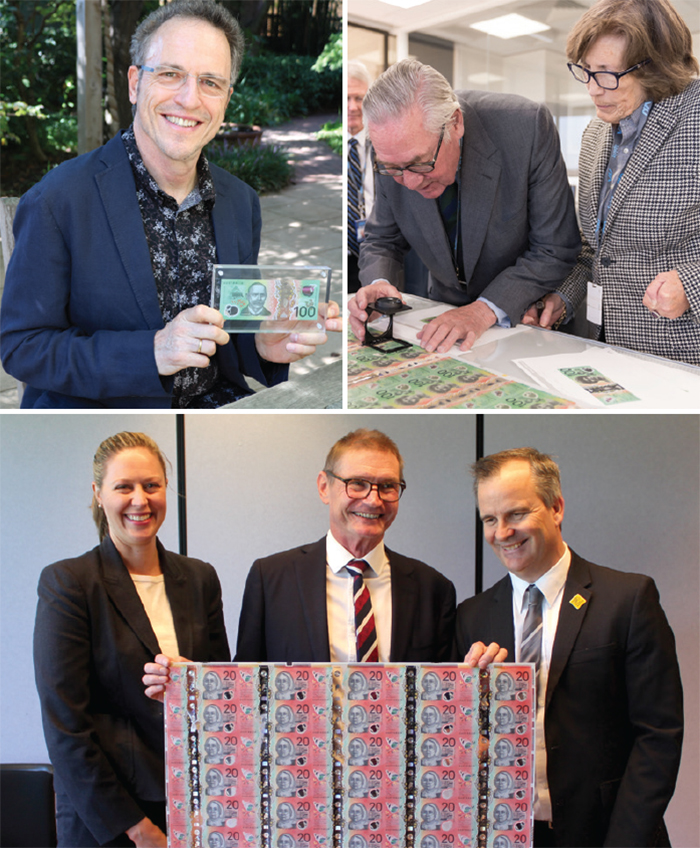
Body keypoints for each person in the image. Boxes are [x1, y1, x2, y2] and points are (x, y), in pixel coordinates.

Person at [0, 0, 340, 408]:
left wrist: (262, 346)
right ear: (134, 83)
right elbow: (23, 346)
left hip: (223, 410)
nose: (189, 99)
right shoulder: (57, 200)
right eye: (170, 74)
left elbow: (231, 330)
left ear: (226, 99)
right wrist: (153, 351)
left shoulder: (241, 203)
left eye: (210, 82)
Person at [455, 448, 683, 847]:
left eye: (516, 514)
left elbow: (658, 734)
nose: (502, 532)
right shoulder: (471, 617)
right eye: (490, 519)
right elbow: (459, 741)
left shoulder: (627, 599)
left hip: (608, 833)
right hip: (507, 835)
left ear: (556, 508)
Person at [33, 431, 230, 847]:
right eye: (124, 486)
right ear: (98, 495)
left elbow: (225, 699)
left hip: (195, 808)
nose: (140, 500)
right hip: (106, 818)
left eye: (151, 485)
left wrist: (200, 685)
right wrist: (137, 829)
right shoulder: (69, 582)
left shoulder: (199, 578)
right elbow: (65, 725)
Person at [348, 58, 580, 354]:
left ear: (455, 123)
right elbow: (382, 239)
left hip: (522, 319)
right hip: (443, 320)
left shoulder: (526, 126)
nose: (409, 182)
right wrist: (379, 283)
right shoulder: (392, 150)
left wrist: (482, 310)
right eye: (393, 168)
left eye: (420, 163)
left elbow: (555, 248)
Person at [522, 0, 700, 365]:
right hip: (607, 348)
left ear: (654, 67)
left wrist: (692, 284)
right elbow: (594, 249)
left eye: (606, 72)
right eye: (585, 70)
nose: (592, 89)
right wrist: (563, 298)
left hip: (683, 353)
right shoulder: (594, 134)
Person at [233, 428, 456, 662]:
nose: (373, 500)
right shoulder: (270, 579)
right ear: (323, 487)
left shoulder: (434, 590)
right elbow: (246, 686)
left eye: (387, 486)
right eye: (357, 483)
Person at [347, 61, 375, 294]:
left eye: (359, 98)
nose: (352, 106)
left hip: (376, 251)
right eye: (346, 98)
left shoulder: (383, 144)